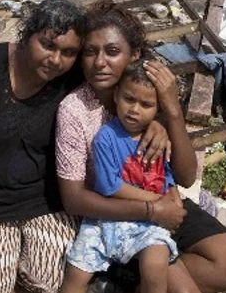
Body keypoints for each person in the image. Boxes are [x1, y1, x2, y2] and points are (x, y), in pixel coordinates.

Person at [0, 0, 173, 293]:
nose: (56, 60)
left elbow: (128, 85)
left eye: (69, 52)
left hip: (46, 204)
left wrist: (156, 122)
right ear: (25, 36)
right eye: (47, 45)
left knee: (54, 282)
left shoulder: (71, 75)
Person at [56, 1, 226, 293]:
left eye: (112, 51)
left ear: (134, 54)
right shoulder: (76, 110)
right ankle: (150, 275)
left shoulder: (149, 95)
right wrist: (152, 209)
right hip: (117, 213)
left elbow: (186, 177)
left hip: (166, 202)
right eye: (90, 51)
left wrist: (171, 112)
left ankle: (143, 278)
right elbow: (75, 198)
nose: (100, 62)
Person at [61, 60, 185, 293]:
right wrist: (157, 202)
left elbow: (166, 177)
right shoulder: (105, 138)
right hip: (105, 220)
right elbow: (109, 186)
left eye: (146, 104)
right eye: (129, 99)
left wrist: (173, 197)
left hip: (147, 224)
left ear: (158, 110)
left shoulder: (157, 142)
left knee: (156, 265)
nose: (135, 109)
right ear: (116, 96)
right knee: (75, 273)